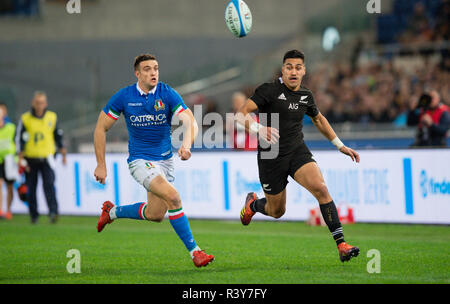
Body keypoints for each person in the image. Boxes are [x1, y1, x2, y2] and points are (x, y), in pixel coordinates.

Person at [237, 50, 361, 262]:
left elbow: (319, 120)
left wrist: (340, 145)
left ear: (304, 71)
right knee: (277, 211)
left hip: (297, 151)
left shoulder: (306, 96)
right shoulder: (268, 90)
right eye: (289, 67)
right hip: (271, 155)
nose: (293, 71)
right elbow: (240, 114)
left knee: (321, 189)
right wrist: (259, 129)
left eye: (298, 67)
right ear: (283, 69)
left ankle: (341, 244)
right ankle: (253, 205)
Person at [94, 54, 214, 268]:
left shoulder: (167, 93)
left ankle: (111, 212)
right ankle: (196, 252)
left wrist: (186, 145)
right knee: (174, 198)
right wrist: (101, 164)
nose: (153, 73)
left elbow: (190, 121)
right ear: (137, 74)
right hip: (140, 161)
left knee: (155, 214)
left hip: (165, 161)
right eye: (147, 69)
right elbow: (100, 128)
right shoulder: (124, 97)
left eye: (156, 68)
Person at [17, 91, 67, 224]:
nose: (40, 105)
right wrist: (20, 154)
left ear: (46, 104)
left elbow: (58, 135)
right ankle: (34, 215)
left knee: (49, 185)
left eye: (42, 103)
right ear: (33, 103)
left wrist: (62, 151)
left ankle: (53, 212)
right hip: (30, 158)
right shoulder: (25, 118)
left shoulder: (52, 117)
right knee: (31, 188)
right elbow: (19, 138)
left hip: (47, 158)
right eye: (37, 103)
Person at [0, 105, 16, 220]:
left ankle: (9, 210)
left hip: (9, 160)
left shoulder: (11, 128)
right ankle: (0, 210)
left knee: (10, 186)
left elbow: (16, 143)